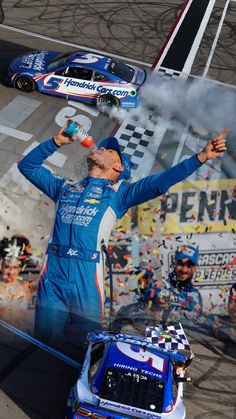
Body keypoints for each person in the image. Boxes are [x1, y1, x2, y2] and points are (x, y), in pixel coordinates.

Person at [17, 124, 227, 345]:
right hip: (54, 271)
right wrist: (56, 142)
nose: (102, 148)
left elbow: (160, 182)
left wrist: (201, 157)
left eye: (109, 150)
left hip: (87, 274)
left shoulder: (120, 193)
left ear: (117, 167)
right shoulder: (65, 187)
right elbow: (27, 166)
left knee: (84, 344)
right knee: (43, 343)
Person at [151, 244, 203, 323]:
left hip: (187, 334)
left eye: (189, 265)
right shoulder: (163, 284)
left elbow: (197, 321)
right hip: (161, 333)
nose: (184, 270)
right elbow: (153, 293)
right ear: (174, 264)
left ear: (195, 268)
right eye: (181, 264)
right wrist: (157, 298)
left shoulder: (196, 294)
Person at [0, 236, 35, 330]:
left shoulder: (26, 287)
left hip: (22, 340)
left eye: (15, 268)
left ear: (20, 268)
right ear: (1, 267)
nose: (11, 272)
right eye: (7, 267)